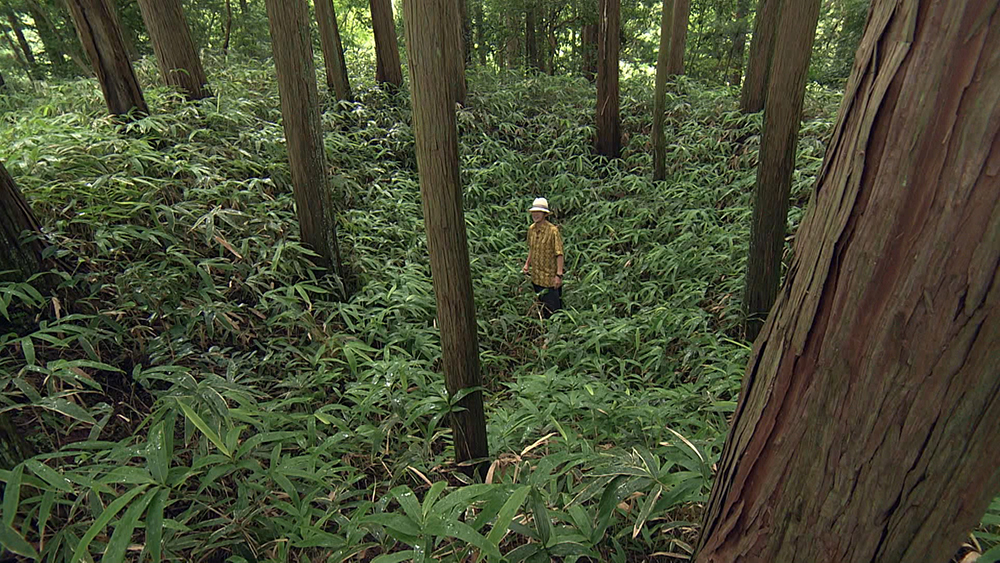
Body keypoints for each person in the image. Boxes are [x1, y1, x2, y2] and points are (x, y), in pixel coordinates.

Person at [521, 197, 564, 318]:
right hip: (536, 277)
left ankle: (556, 334)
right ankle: (545, 332)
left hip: (550, 279)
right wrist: (527, 264)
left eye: (538, 212)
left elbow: (559, 253)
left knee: (554, 310)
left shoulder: (552, 231)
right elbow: (532, 248)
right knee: (542, 308)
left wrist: (559, 275)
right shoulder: (531, 229)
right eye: (534, 212)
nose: (536, 215)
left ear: (545, 214)